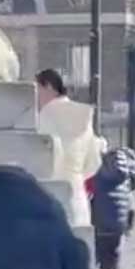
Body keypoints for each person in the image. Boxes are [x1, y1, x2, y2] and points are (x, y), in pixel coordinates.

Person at [35, 69, 101, 227]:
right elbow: (94, 162)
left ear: (49, 87)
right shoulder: (84, 117)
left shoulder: (43, 118)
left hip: (47, 197)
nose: (35, 98)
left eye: (37, 90)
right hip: (77, 197)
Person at [90, 141, 135, 269]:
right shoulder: (125, 181)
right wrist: (127, 230)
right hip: (117, 228)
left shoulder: (96, 176)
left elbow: (88, 198)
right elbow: (132, 210)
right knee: (113, 266)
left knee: (97, 263)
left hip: (99, 227)